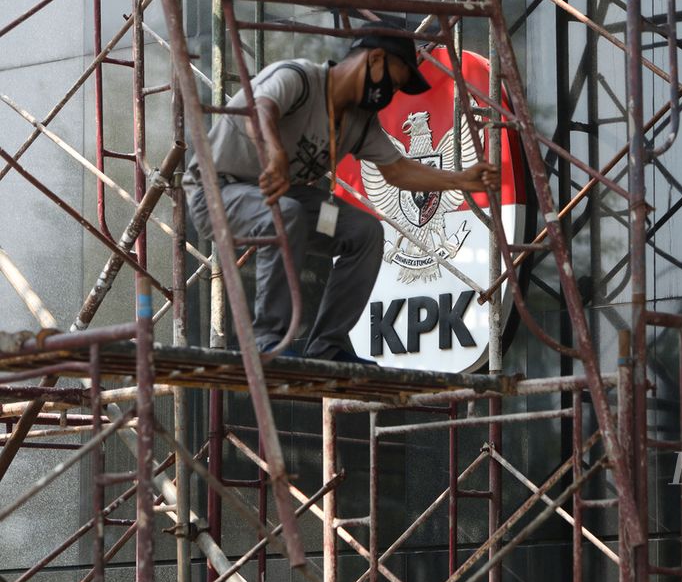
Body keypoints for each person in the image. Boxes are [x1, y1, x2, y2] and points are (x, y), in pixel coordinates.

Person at [184, 35, 499, 363]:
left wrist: (460, 180)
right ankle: (268, 340)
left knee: (363, 231)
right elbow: (259, 110)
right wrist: (274, 151)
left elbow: (398, 171)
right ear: (375, 59)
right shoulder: (300, 78)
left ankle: (328, 344)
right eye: (394, 82)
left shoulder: (361, 123)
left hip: (281, 198)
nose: (391, 94)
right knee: (286, 212)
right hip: (217, 192)